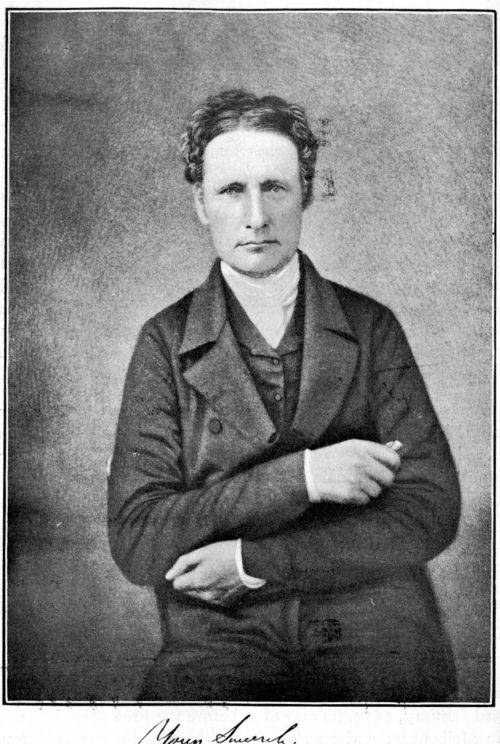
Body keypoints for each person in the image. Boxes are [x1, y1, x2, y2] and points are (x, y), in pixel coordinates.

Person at [108, 89, 460, 702]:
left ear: (307, 192)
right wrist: (304, 478)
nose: (256, 216)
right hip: (220, 630)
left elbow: (430, 510)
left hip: (369, 617)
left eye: (274, 188)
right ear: (200, 203)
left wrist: (254, 563)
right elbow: (139, 541)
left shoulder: (370, 326)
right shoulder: (164, 341)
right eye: (230, 190)